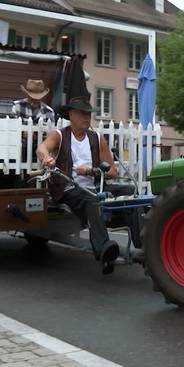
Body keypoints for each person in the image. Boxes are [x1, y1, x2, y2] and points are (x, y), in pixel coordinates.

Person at [36, 97, 125, 275]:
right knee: (92, 200)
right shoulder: (60, 134)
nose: (86, 117)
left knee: (132, 194)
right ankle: (103, 250)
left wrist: (91, 172)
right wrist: (46, 158)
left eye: (88, 114)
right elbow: (42, 148)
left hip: (95, 184)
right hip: (69, 188)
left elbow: (113, 171)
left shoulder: (97, 138)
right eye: (81, 113)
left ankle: (144, 246)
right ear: (71, 115)